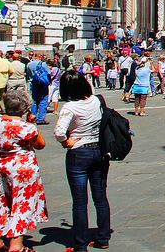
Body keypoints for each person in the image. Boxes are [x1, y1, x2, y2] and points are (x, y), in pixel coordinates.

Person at [0, 90, 48, 252]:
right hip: (22, 168)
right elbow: (40, 144)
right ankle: (16, 244)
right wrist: (33, 124)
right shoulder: (26, 127)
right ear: (25, 108)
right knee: (22, 204)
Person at [55, 72, 111, 252]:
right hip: (99, 150)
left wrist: (66, 142)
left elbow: (59, 132)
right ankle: (103, 238)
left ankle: (80, 244)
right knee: (100, 197)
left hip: (79, 153)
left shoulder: (70, 107)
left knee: (80, 201)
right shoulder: (97, 100)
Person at [27, 52, 51, 125]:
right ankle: (40, 118)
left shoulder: (29, 64)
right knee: (43, 101)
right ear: (40, 56)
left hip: (33, 83)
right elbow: (48, 73)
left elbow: (28, 74)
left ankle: (33, 116)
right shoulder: (43, 64)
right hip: (42, 84)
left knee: (34, 100)